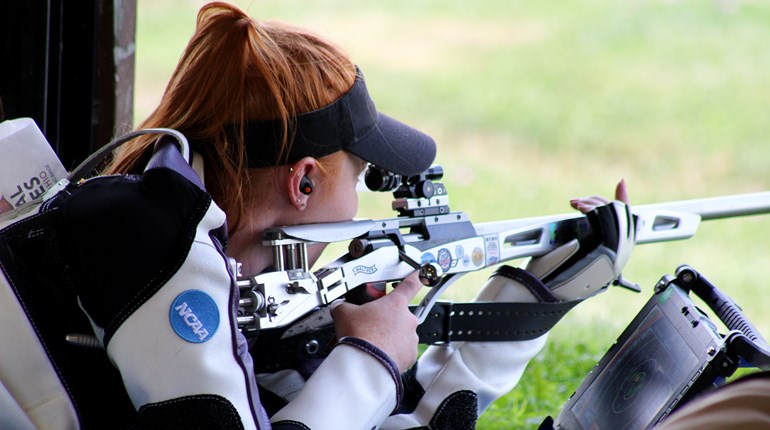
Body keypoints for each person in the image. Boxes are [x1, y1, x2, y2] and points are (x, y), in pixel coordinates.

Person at [0, 2, 634, 429]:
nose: (358, 206)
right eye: (357, 178)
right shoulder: (158, 244)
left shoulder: (147, 223)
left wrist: (535, 295)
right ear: (303, 181)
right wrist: (368, 356)